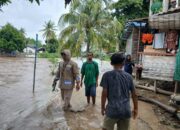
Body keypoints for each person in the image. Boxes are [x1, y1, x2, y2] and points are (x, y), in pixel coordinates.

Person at [100, 53, 138, 130]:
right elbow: (134, 94)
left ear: (111, 63)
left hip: (112, 110)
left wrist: (102, 107)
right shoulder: (129, 77)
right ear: (123, 63)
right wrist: (136, 108)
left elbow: (104, 94)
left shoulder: (106, 75)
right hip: (126, 110)